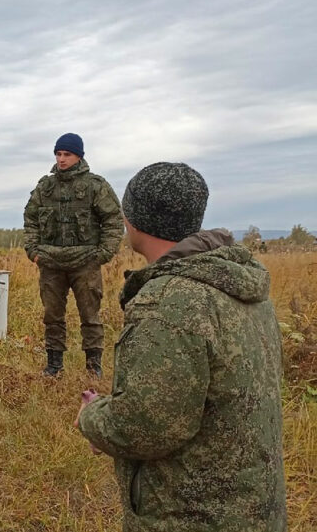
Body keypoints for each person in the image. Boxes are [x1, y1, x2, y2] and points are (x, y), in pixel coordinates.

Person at [77, 162, 286, 531]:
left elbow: (146, 426)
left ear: (133, 219)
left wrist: (93, 419)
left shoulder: (171, 304)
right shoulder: (239, 285)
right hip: (252, 510)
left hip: (191, 515)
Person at [22, 133, 122, 377]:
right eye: (58, 154)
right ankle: (54, 366)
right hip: (50, 262)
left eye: (67, 154)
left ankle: (93, 368)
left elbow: (113, 220)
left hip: (85, 263)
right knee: (52, 316)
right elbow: (30, 220)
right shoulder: (45, 187)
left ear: (79, 156)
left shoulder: (95, 186)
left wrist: (103, 254)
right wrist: (33, 251)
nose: (62, 159)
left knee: (90, 316)